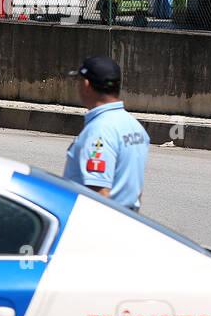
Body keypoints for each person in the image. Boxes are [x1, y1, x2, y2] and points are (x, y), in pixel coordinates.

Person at [63, 55, 149, 210]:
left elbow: (99, 193)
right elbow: (137, 191)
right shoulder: (135, 127)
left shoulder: (99, 131)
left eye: (78, 81)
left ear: (86, 85)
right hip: (127, 219)